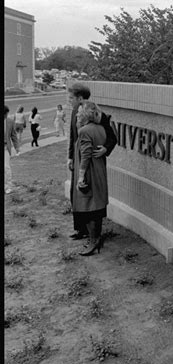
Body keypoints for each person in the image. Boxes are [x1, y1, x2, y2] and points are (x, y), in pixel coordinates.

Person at [67, 82, 117, 239]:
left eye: (71, 98)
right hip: (78, 157)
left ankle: (93, 233)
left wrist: (105, 149)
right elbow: (72, 136)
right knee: (77, 194)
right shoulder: (75, 111)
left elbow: (112, 136)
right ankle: (80, 229)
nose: (69, 101)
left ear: (80, 98)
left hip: (92, 160)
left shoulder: (95, 113)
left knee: (91, 193)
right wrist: (69, 156)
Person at [72, 101, 109, 256]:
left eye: (80, 112)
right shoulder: (100, 128)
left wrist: (80, 177)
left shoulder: (85, 131)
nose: (77, 114)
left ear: (84, 114)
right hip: (99, 170)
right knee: (97, 205)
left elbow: (86, 155)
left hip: (89, 171)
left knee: (87, 205)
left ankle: (93, 241)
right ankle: (96, 239)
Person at [5, 105, 21, 193]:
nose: (6, 116)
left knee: (6, 167)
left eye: (6, 114)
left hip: (5, 148)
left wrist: (17, 147)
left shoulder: (10, 122)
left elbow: (14, 136)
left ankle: (8, 186)